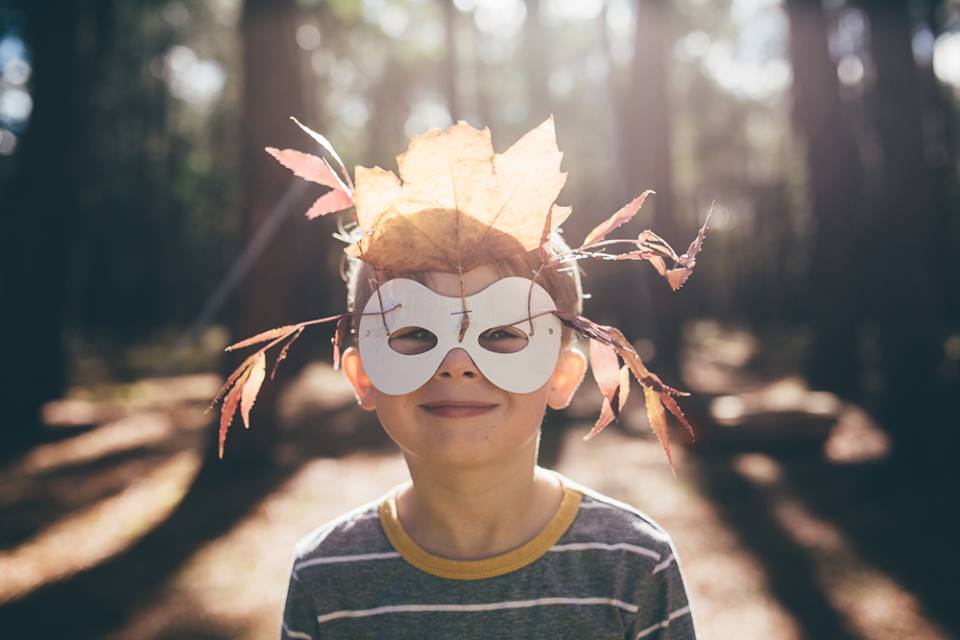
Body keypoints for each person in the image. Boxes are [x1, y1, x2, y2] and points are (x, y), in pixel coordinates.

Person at [209, 115, 705, 639]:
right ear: (363, 377)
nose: (457, 363)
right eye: (415, 334)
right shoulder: (325, 577)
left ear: (562, 375)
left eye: (501, 334)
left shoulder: (633, 564)